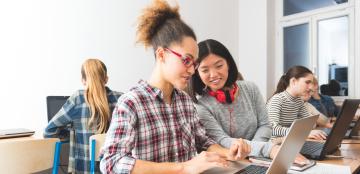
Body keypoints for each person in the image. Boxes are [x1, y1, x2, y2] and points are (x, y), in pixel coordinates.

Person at [99, 1, 252, 174]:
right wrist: (184, 167)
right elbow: (111, 163)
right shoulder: (131, 103)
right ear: (162, 54)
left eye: (194, 63)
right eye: (186, 60)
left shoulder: (185, 101)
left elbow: (203, 141)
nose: (192, 70)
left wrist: (230, 153)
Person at [188, 39, 285, 159]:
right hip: (233, 161)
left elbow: (265, 125)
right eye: (205, 70)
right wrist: (264, 149)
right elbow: (222, 140)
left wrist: (254, 152)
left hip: (259, 157)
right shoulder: (200, 106)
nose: (213, 74)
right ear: (197, 73)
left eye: (219, 66)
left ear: (228, 64)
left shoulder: (251, 88)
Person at [44, 58, 122, 173]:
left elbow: (49, 131)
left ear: (83, 80)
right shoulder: (121, 99)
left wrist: (72, 133)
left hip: (85, 169)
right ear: (106, 79)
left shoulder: (78, 99)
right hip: (114, 168)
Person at [266, 66, 327, 140]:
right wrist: (302, 133)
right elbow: (272, 129)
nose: (311, 87)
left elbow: (309, 124)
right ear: (293, 81)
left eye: (312, 83)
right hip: (275, 144)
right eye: (307, 82)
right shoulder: (277, 99)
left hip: (291, 141)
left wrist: (310, 131)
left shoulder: (298, 101)